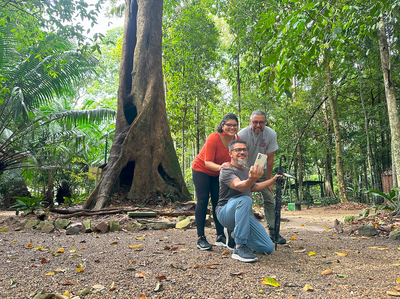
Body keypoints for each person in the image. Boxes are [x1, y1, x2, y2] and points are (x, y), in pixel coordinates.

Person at [216, 139, 281, 262]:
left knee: (267, 247)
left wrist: (273, 180)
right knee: (245, 200)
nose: (242, 152)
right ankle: (239, 247)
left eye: (244, 150)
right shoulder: (226, 170)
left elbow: (254, 187)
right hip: (225, 212)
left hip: (243, 214)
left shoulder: (246, 171)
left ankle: (238, 234)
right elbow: (239, 185)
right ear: (230, 153)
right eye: (238, 150)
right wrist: (251, 180)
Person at [192, 113, 239, 250]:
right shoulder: (213, 138)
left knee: (218, 201)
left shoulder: (237, 139)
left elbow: (238, 157)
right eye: (228, 124)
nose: (232, 127)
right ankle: (201, 238)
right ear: (222, 125)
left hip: (219, 173)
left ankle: (220, 236)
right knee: (203, 199)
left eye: (234, 125)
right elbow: (207, 162)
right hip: (202, 169)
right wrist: (221, 167)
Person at [238, 110, 286, 244]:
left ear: (265, 122)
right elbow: (238, 156)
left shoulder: (270, 134)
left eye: (261, 122)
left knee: (269, 199)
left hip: (262, 170)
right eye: (255, 122)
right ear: (250, 122)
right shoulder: (242, 134)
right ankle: (245, 232)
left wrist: (269, 180)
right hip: (245, 170)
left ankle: (273, 232)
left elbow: (270, 159)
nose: (258, 125)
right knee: (244, 199)